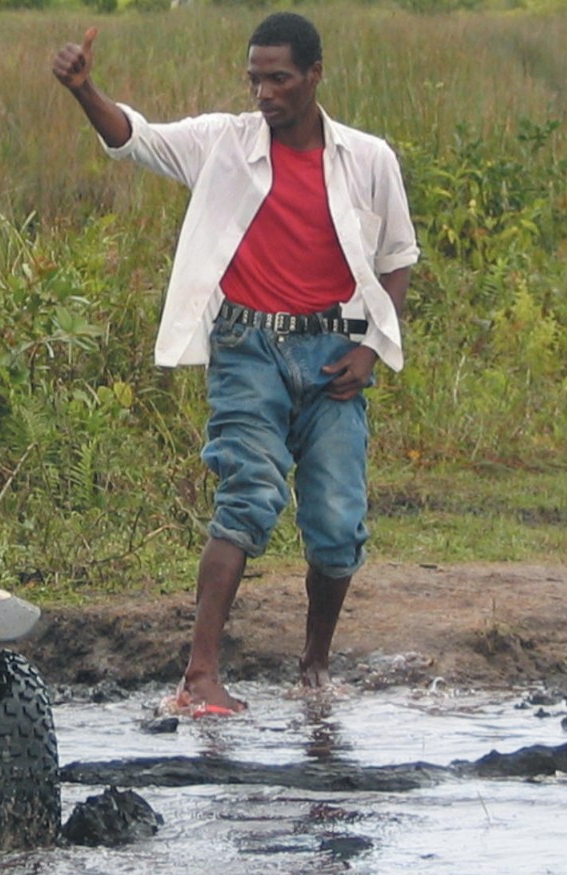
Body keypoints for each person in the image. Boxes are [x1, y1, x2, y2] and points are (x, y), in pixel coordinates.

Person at [52, 13, 418, 709]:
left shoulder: (367, 160)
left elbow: (397, 260)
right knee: (248, 498)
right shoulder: (224, 143)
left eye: (279, 78)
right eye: (255, 79)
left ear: (315, 74)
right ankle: (200, 676)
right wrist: (83, 90)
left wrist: (372, 347)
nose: (264, 93)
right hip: (247, 348)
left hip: (333, 355)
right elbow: (136, 138)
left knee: (338, 523)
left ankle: (314, 669)